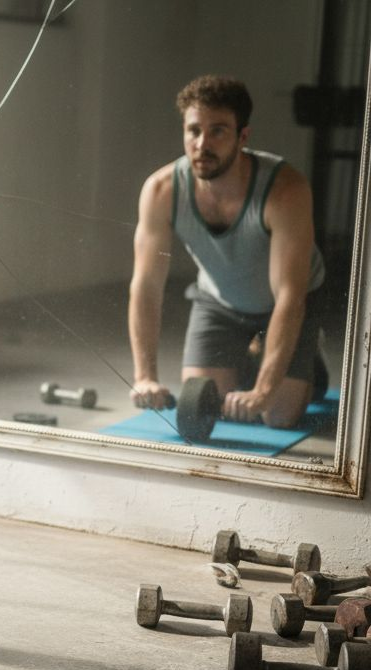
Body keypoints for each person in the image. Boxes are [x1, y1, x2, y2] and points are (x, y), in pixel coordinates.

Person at [129, 74, 327, 429]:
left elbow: (290, 297)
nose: (202, 144)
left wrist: (264, 390)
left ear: (243, 136)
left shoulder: (286, 190)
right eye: (194, 131)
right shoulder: (161, 190)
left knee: (278, 415)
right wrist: (145, 377)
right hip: (219, 302)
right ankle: (255, 354)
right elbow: (146, 286)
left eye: (218, 131)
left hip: (286, 304)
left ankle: (309, 363)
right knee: (206, 400)